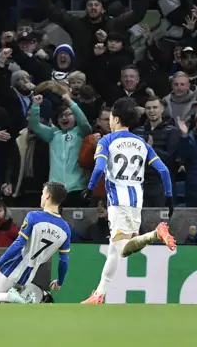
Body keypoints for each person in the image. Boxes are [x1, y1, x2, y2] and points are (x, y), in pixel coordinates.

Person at [81, 97, 176, 305]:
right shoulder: (141, 143)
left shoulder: (107, 141)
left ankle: (156, 233)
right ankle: (98, 294)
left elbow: (98, 168)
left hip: (117, 201)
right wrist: (169, 197)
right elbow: (163, 170)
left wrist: (89, 189)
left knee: (122, 249)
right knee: (114, 251)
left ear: (114, 118)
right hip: (136, 202)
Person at [0, 181, 70, 304]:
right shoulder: (65, 229)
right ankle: (12, 297)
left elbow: (18, 244)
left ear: (48, 195)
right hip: (27, 276)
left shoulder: (34, 217)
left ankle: (9, 297)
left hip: (10, 268)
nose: (42, 196)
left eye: (43, 193)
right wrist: (60, 282)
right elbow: (63, 260)